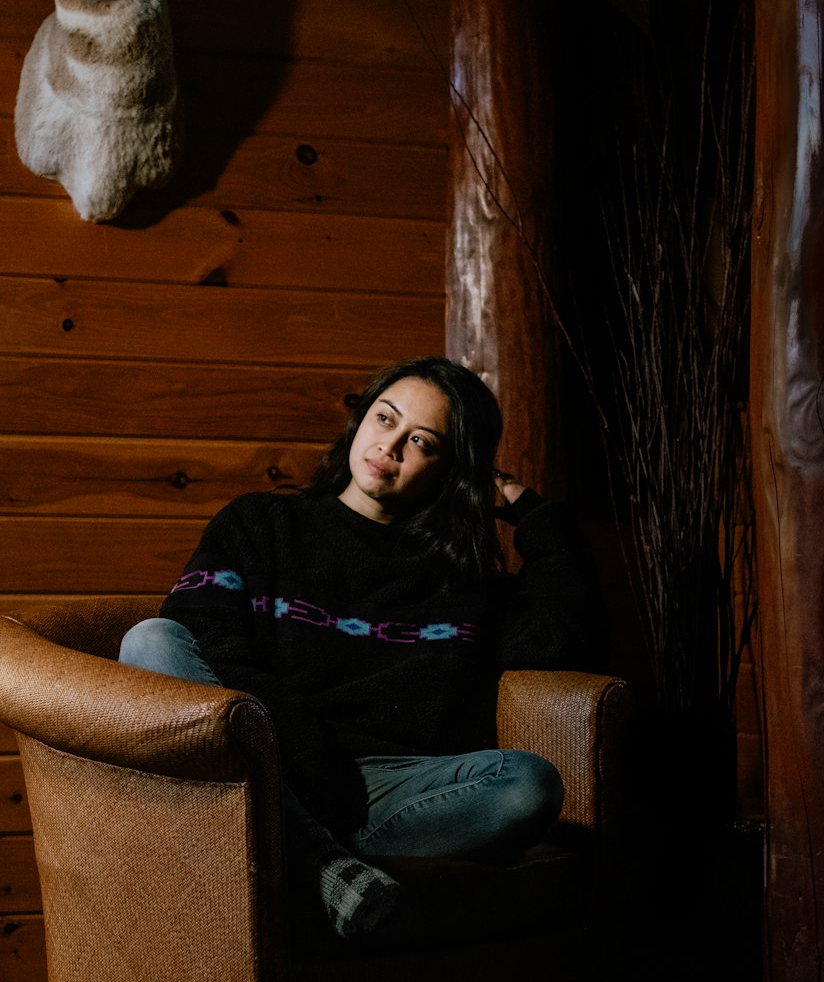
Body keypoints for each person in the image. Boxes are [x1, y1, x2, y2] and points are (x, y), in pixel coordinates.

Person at [119, 356, 603, 941]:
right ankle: (326, 867)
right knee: (152, 640)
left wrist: (531, 511)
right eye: (384, 419)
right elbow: (202, 633)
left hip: (383, 791)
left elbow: (560, 635)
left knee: (530, 783)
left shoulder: (463, 581)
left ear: (452, 469)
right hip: (267, 761)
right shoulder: (260, 524)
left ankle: (306, 851)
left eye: (420, 440)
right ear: (360, 422)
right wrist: (299, 755)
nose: (390, 446)